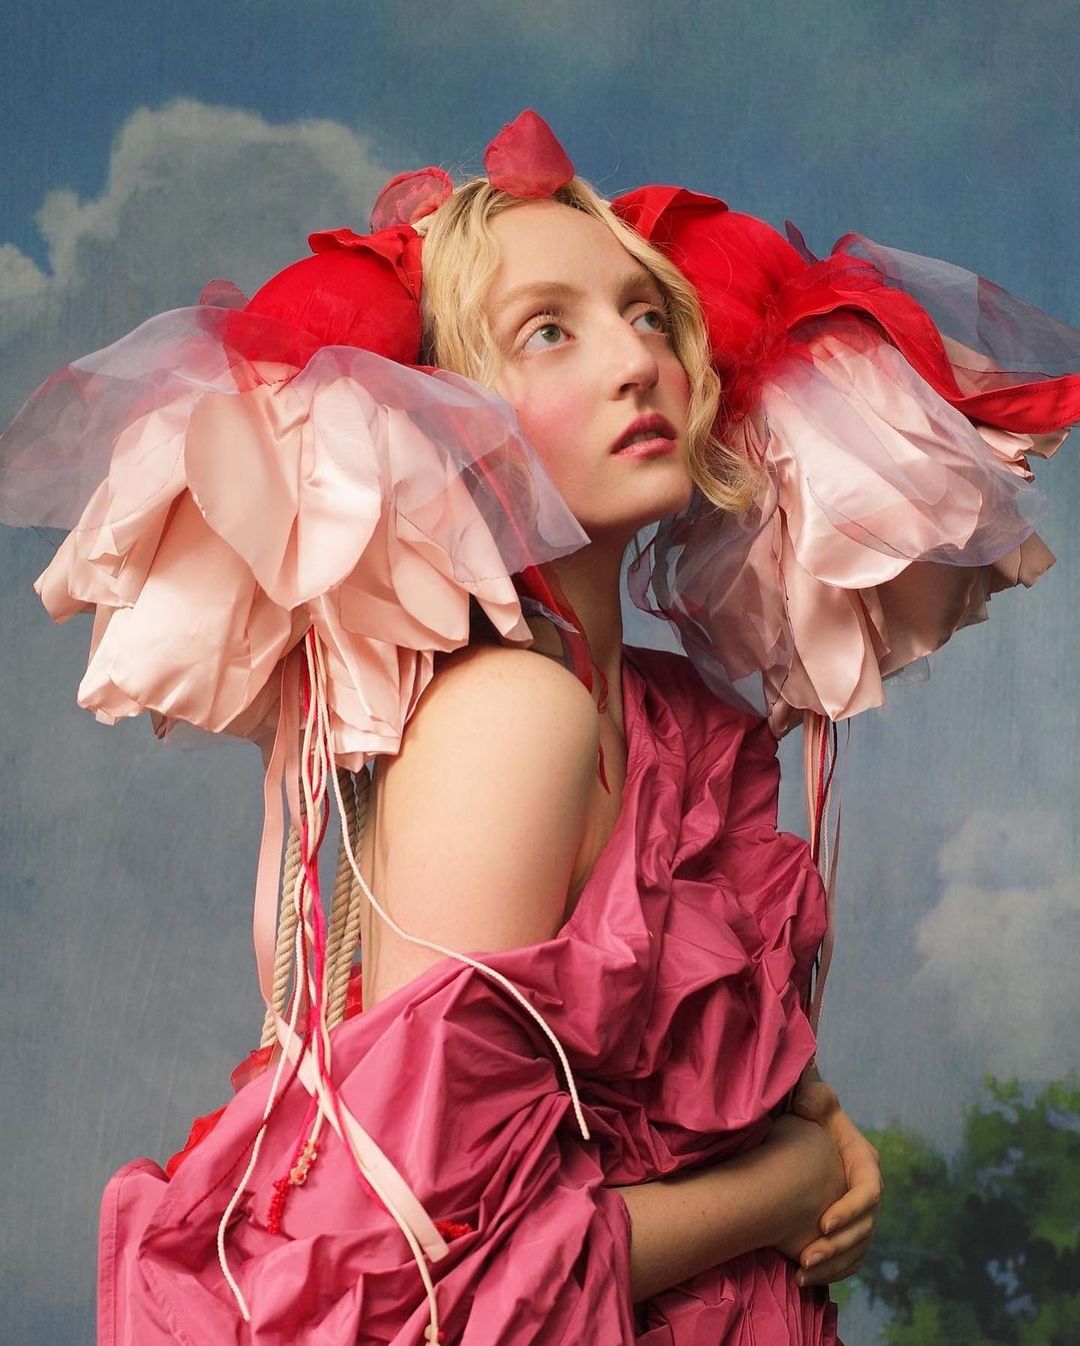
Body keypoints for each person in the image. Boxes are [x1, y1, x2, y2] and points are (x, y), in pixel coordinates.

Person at [2, 108, 1075, 1344]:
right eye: (548, 330)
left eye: (650, 315)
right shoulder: (515, 718)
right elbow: (435, 1271)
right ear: (438, 416)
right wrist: (786, 1188)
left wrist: (821, 1130)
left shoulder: (668, 719)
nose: (638, 363)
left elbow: (663, 1077)